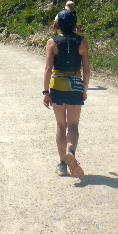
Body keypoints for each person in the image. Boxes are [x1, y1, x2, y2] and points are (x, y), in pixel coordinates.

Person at [43, 9, 90, 178]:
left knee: (61, 125)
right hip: (75, 86)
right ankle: (71, 152)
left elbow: (48, 68)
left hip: (57, 86)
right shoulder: (82, 42)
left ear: (57, 25)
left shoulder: (52, 42)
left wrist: (46, 92)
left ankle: (62, 164)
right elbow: (87, 69)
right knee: (73, 125)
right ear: (75, 25)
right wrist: (84, 89)